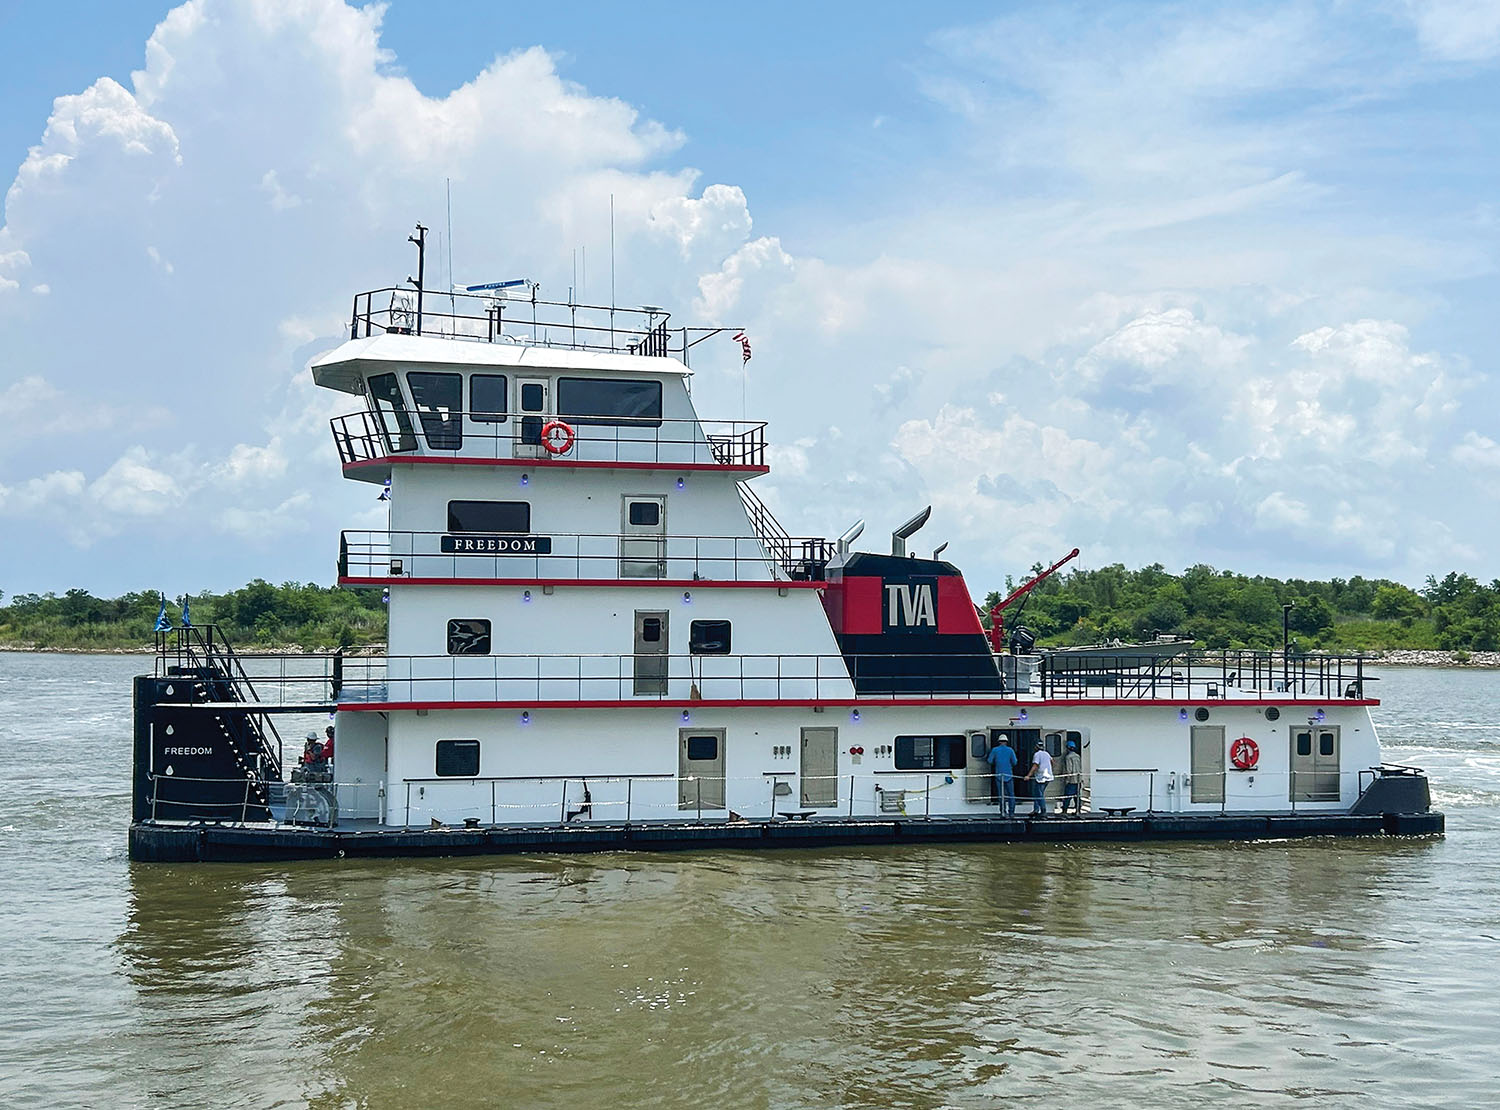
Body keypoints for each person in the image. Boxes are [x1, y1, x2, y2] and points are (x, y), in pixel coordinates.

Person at [986, 734, 1018, 816]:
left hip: (999, 775)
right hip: (1009, 775)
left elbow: (989, 761)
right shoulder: (1010, 750)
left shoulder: (995, 750)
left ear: (999, 742)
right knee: (1011, 795)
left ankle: (1003, 812)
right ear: (1006, 742)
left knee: (1001, 795)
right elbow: (1015, 762)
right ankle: (1012, 812)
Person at [1022, 740, 1054, 816]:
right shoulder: (1047, 753)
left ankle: (1043, 811)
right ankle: (1036, 810)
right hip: (1048, 777)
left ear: (1036, 747)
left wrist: (1028, 776)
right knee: (1038, 793)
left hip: (1041, 778)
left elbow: (1035, 766)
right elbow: (1052, 762)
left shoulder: (1037, 754)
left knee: (1039, 794)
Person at [1059, 739, 1082, 815]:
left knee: (1068, 796)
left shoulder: (1068, 757)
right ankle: (1078, 810)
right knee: (1077, 796)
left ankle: (1064, 811)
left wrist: (1067, 779)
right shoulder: (1077, 756)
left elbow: (1069, 769)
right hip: (1078, 779)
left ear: (1068, 748)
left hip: (1071, 779)